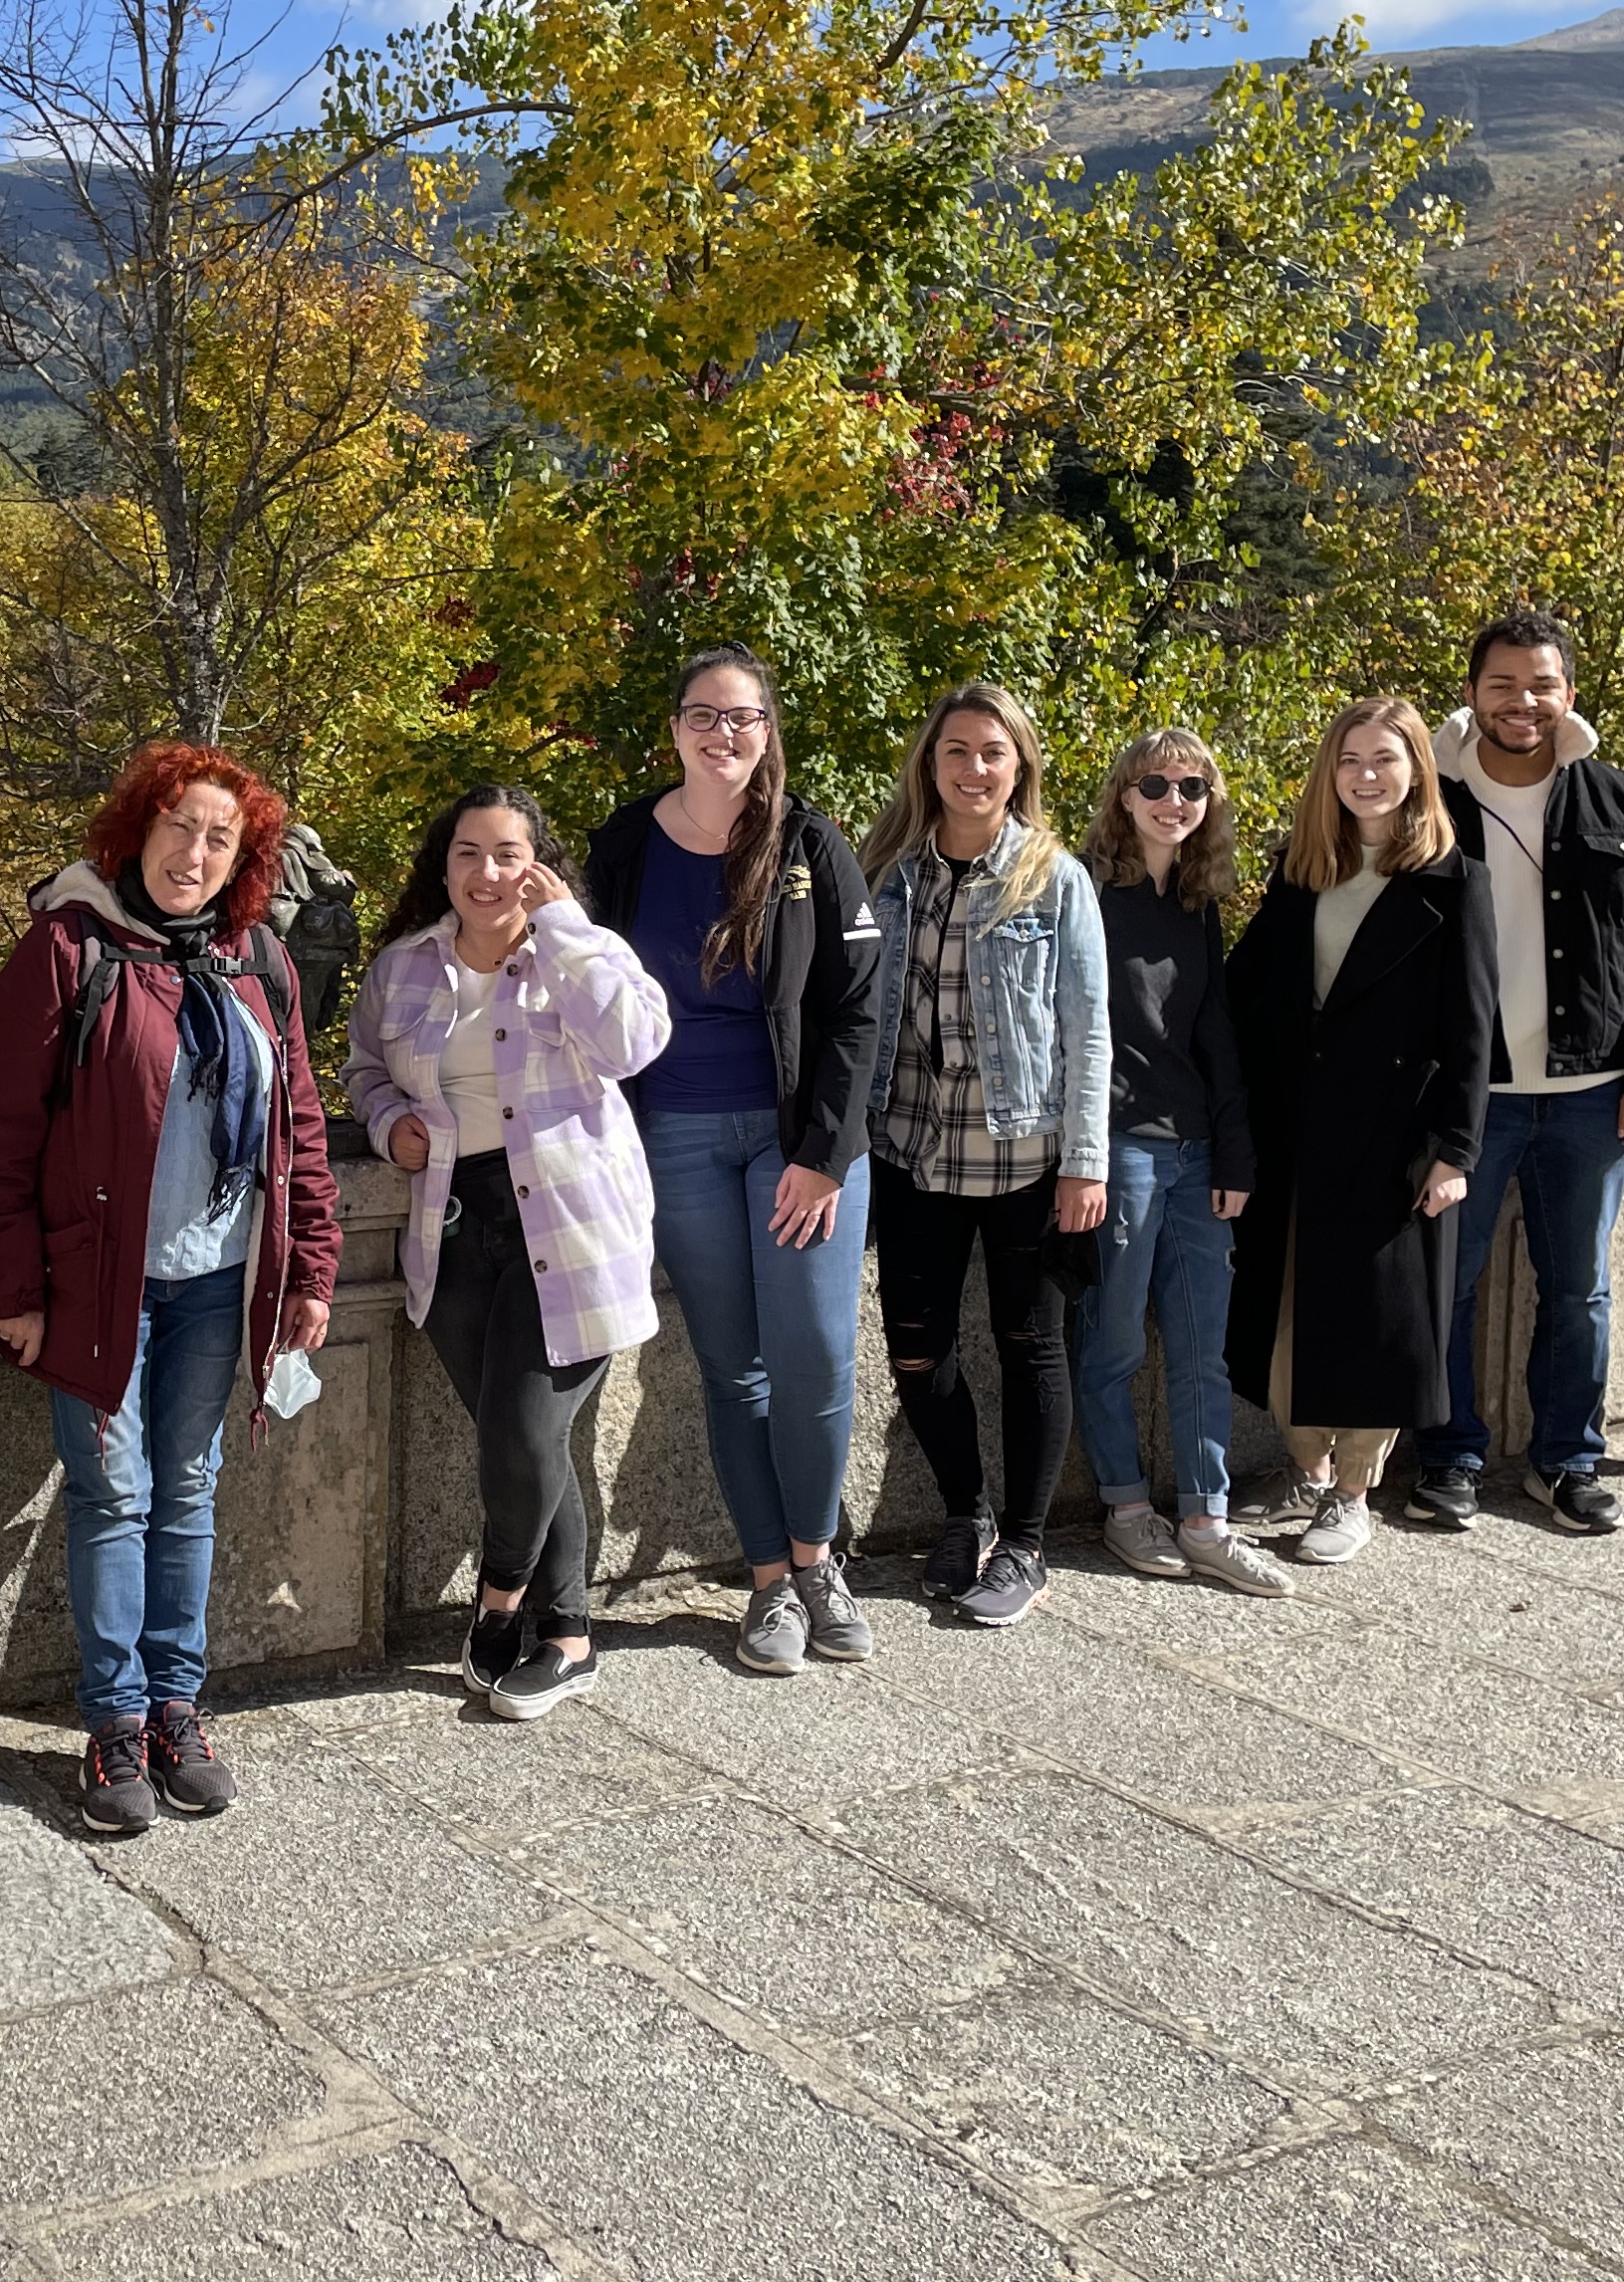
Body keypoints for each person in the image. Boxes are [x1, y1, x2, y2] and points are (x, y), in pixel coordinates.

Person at [0, 742, 341, 1833]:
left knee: (189, 1489)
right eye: (180, 825)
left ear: (245, 858)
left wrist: (308, 1266)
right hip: (96, 1284)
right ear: (138, 828)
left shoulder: (257, 959)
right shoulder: (69, 947)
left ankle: (180, 1706)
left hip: (219, 1281)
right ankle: (115, 1724)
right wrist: (11, 1287)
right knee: (113, 1494)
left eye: (221, 837)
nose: (196, 851)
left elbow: (299, 1128)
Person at [582, 645, 888, 1675]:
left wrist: (824, 1154)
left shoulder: (810, 844)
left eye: (745, 719)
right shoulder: (624, 845)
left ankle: (818, 1563)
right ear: (673, 730)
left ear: (769, 733)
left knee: (812, 1352)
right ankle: (768, 1582)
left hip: (796, 1141)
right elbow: (583, 984)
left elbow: (857, 1011)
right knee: (732, 1363)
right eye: (705, 717)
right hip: (674, 1134)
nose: (725, 736)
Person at [347, 787, 673, 1719]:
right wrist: (387, 1121)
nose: (488, 874)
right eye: (467, 854)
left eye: (508, 855)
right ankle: (567, 1632)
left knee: (526, 1429)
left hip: (567, 1223)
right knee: (517, 1437)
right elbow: (365, 1070)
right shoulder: (404, 968)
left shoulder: (581, 953)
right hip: (451, 1222)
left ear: (539, 864)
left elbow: (635, 1042)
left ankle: (500, 1606)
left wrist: (563, 923)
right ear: (442, 866)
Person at [1411, 611, 1624, 1536]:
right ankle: (1446, 1456)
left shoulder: (1621, 804)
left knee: (1580, 1288)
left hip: (1590, 1095)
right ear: (1472, 692)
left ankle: (1566, 1459)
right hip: (1467, 1097)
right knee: (1449, 1283)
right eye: (1502, 685)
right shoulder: (1429, 805)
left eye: (1540, 685)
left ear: (1569, 693)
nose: (1521, 703)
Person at [855, 682, 1110, 1629]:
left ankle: (1029, 1545)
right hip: (910, 1146)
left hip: (1026, 1153)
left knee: (1030, 1344)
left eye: (992, 753)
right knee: (918, 1351)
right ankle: (966, 1512)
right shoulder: (890, 871)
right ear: (930, 763)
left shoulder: (1055, 876)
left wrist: (1087, 1161)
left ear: (1020, 767)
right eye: (955, 751)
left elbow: (1088, 1030)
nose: (973, 769)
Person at [1224, 696, 1498, 1567]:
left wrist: (1456, 1150)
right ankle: (1308, 1466)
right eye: (1349, 761)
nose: (1366, 776)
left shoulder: (1456, 880)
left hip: (1396, 1137)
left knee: (1384, 1324)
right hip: (1295, 1127)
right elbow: (1246, 991)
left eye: (1385, 759)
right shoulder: (1304, 869)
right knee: (1288, 1315)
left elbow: (1472, 1029)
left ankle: (1353, 1493)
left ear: (1418, 767)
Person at [1070, 730, 1284, 1596]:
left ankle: (1207, 1520)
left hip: (1198, 1157)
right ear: (1124, 796)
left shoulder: (1198, 901)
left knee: (1205, 1348)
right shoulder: (1083, 892)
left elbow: (1216, 1036)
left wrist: (1236, 1152)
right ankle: (1126, 1509)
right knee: (1113, 1340)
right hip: (1118, 1152)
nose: (1173, 799)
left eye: (1192, 786)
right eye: (1154, 783)